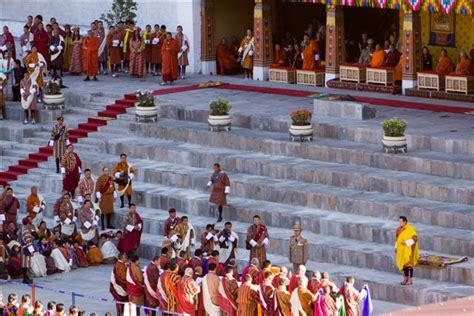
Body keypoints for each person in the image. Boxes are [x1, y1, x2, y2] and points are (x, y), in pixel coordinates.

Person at [395, 216, 418, 285]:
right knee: (404, 265)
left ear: (405, 222)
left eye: (401, 221)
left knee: (409, 265)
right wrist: (396, 247)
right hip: (401, 249)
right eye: (399, 222)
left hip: (408, 250)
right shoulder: (398, 229)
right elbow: (397, 239)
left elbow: (415, 239)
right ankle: (405, 278)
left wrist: (406, 242)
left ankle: (410, 279)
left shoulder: (410, 229)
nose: (400, 223)